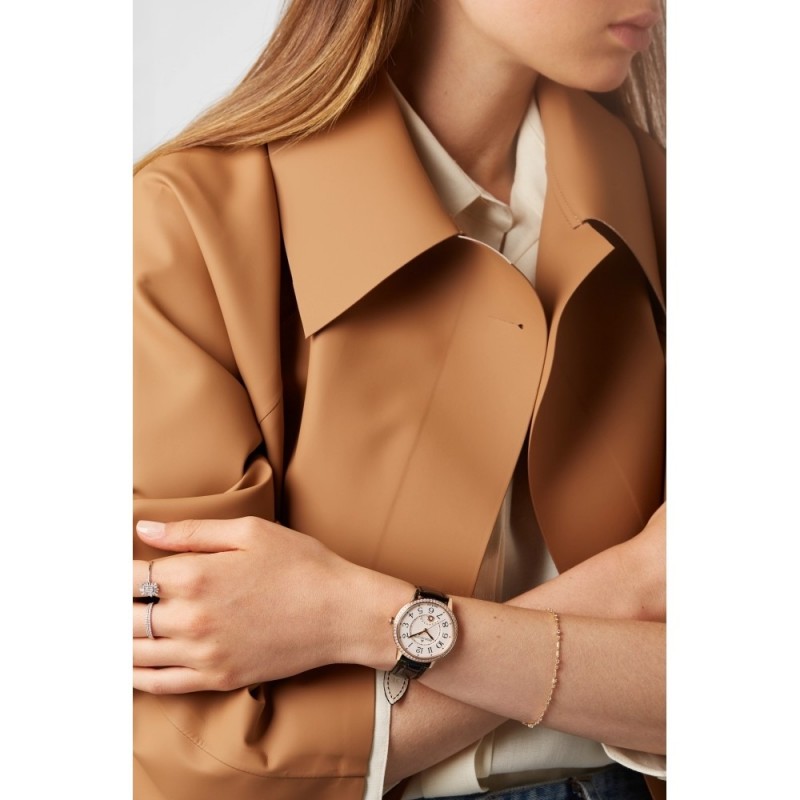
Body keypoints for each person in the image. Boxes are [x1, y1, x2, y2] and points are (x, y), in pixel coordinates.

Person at [132, 1, 667, 799]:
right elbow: (192, 760)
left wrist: (352, 616)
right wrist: (624, 590)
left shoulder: (679, 206)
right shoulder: (185, 227)